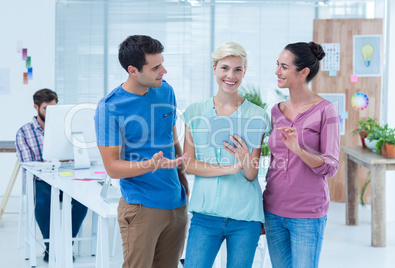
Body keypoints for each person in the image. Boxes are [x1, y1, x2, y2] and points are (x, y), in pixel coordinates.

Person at [95, 35, 188, 268]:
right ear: (133, 70)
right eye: (155, 67)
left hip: (176, 203)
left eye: (162, 63)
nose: (163, 71)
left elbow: (170, 136)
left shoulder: (166, 91)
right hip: (141, 208)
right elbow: (112, 167)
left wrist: (183, 178)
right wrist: (150, 165)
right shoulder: (110, 108)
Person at [182, 42, 270, 268]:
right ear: (214, 68)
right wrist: (228, 169)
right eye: (225, 68)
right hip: (205, 216)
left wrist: (244, 159)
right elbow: (188, 165)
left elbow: (251, 174)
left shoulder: (256, 115)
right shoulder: (195, 112)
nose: (231, 75)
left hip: (244, 218)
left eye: (237, 69)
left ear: (244, 72)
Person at [263, 42, 340, 268]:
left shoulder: (326, 110)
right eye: (277, 65)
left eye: (284, 67)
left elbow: (331, 166)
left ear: (303, 72)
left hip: (307, 213)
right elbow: (275, 162)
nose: (277, 71)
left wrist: (299, 149)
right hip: (273, 210)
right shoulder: (276, 110)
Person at [15, 88, 88, 263]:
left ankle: (65, 245)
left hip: (65, 177)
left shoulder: (66, 129)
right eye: (46, 108)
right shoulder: (24, 132)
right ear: (36, 107)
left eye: (54, 108)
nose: (51, 112)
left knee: (82, 201)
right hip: (41, 181)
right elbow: (27, 166)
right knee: (42, 202)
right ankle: (51, 246)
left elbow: (74, 156)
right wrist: (51, 165)